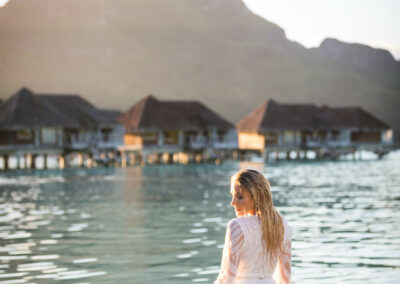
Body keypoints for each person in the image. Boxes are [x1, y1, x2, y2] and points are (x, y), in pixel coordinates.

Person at [214, 169, 291, 284]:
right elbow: (285, 277)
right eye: (233, 196)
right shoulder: (282, 223)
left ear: (257, 196)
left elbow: (226, 278)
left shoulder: (237, 226)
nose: (233, 203)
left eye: (239, 197)